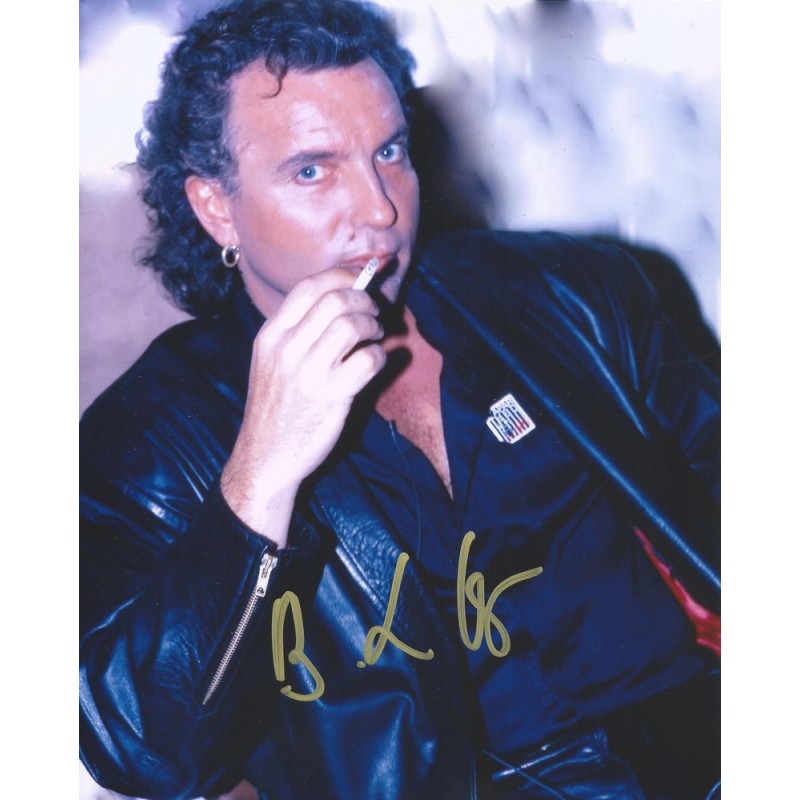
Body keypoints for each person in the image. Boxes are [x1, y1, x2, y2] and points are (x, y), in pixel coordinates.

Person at [79, 1, 721, 798]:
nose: (380, 210)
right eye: (312, 171)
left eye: (389, 152)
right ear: (217, 208)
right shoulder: (149, 439)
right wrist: (260, 476)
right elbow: (143, 751)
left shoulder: (569, 294)